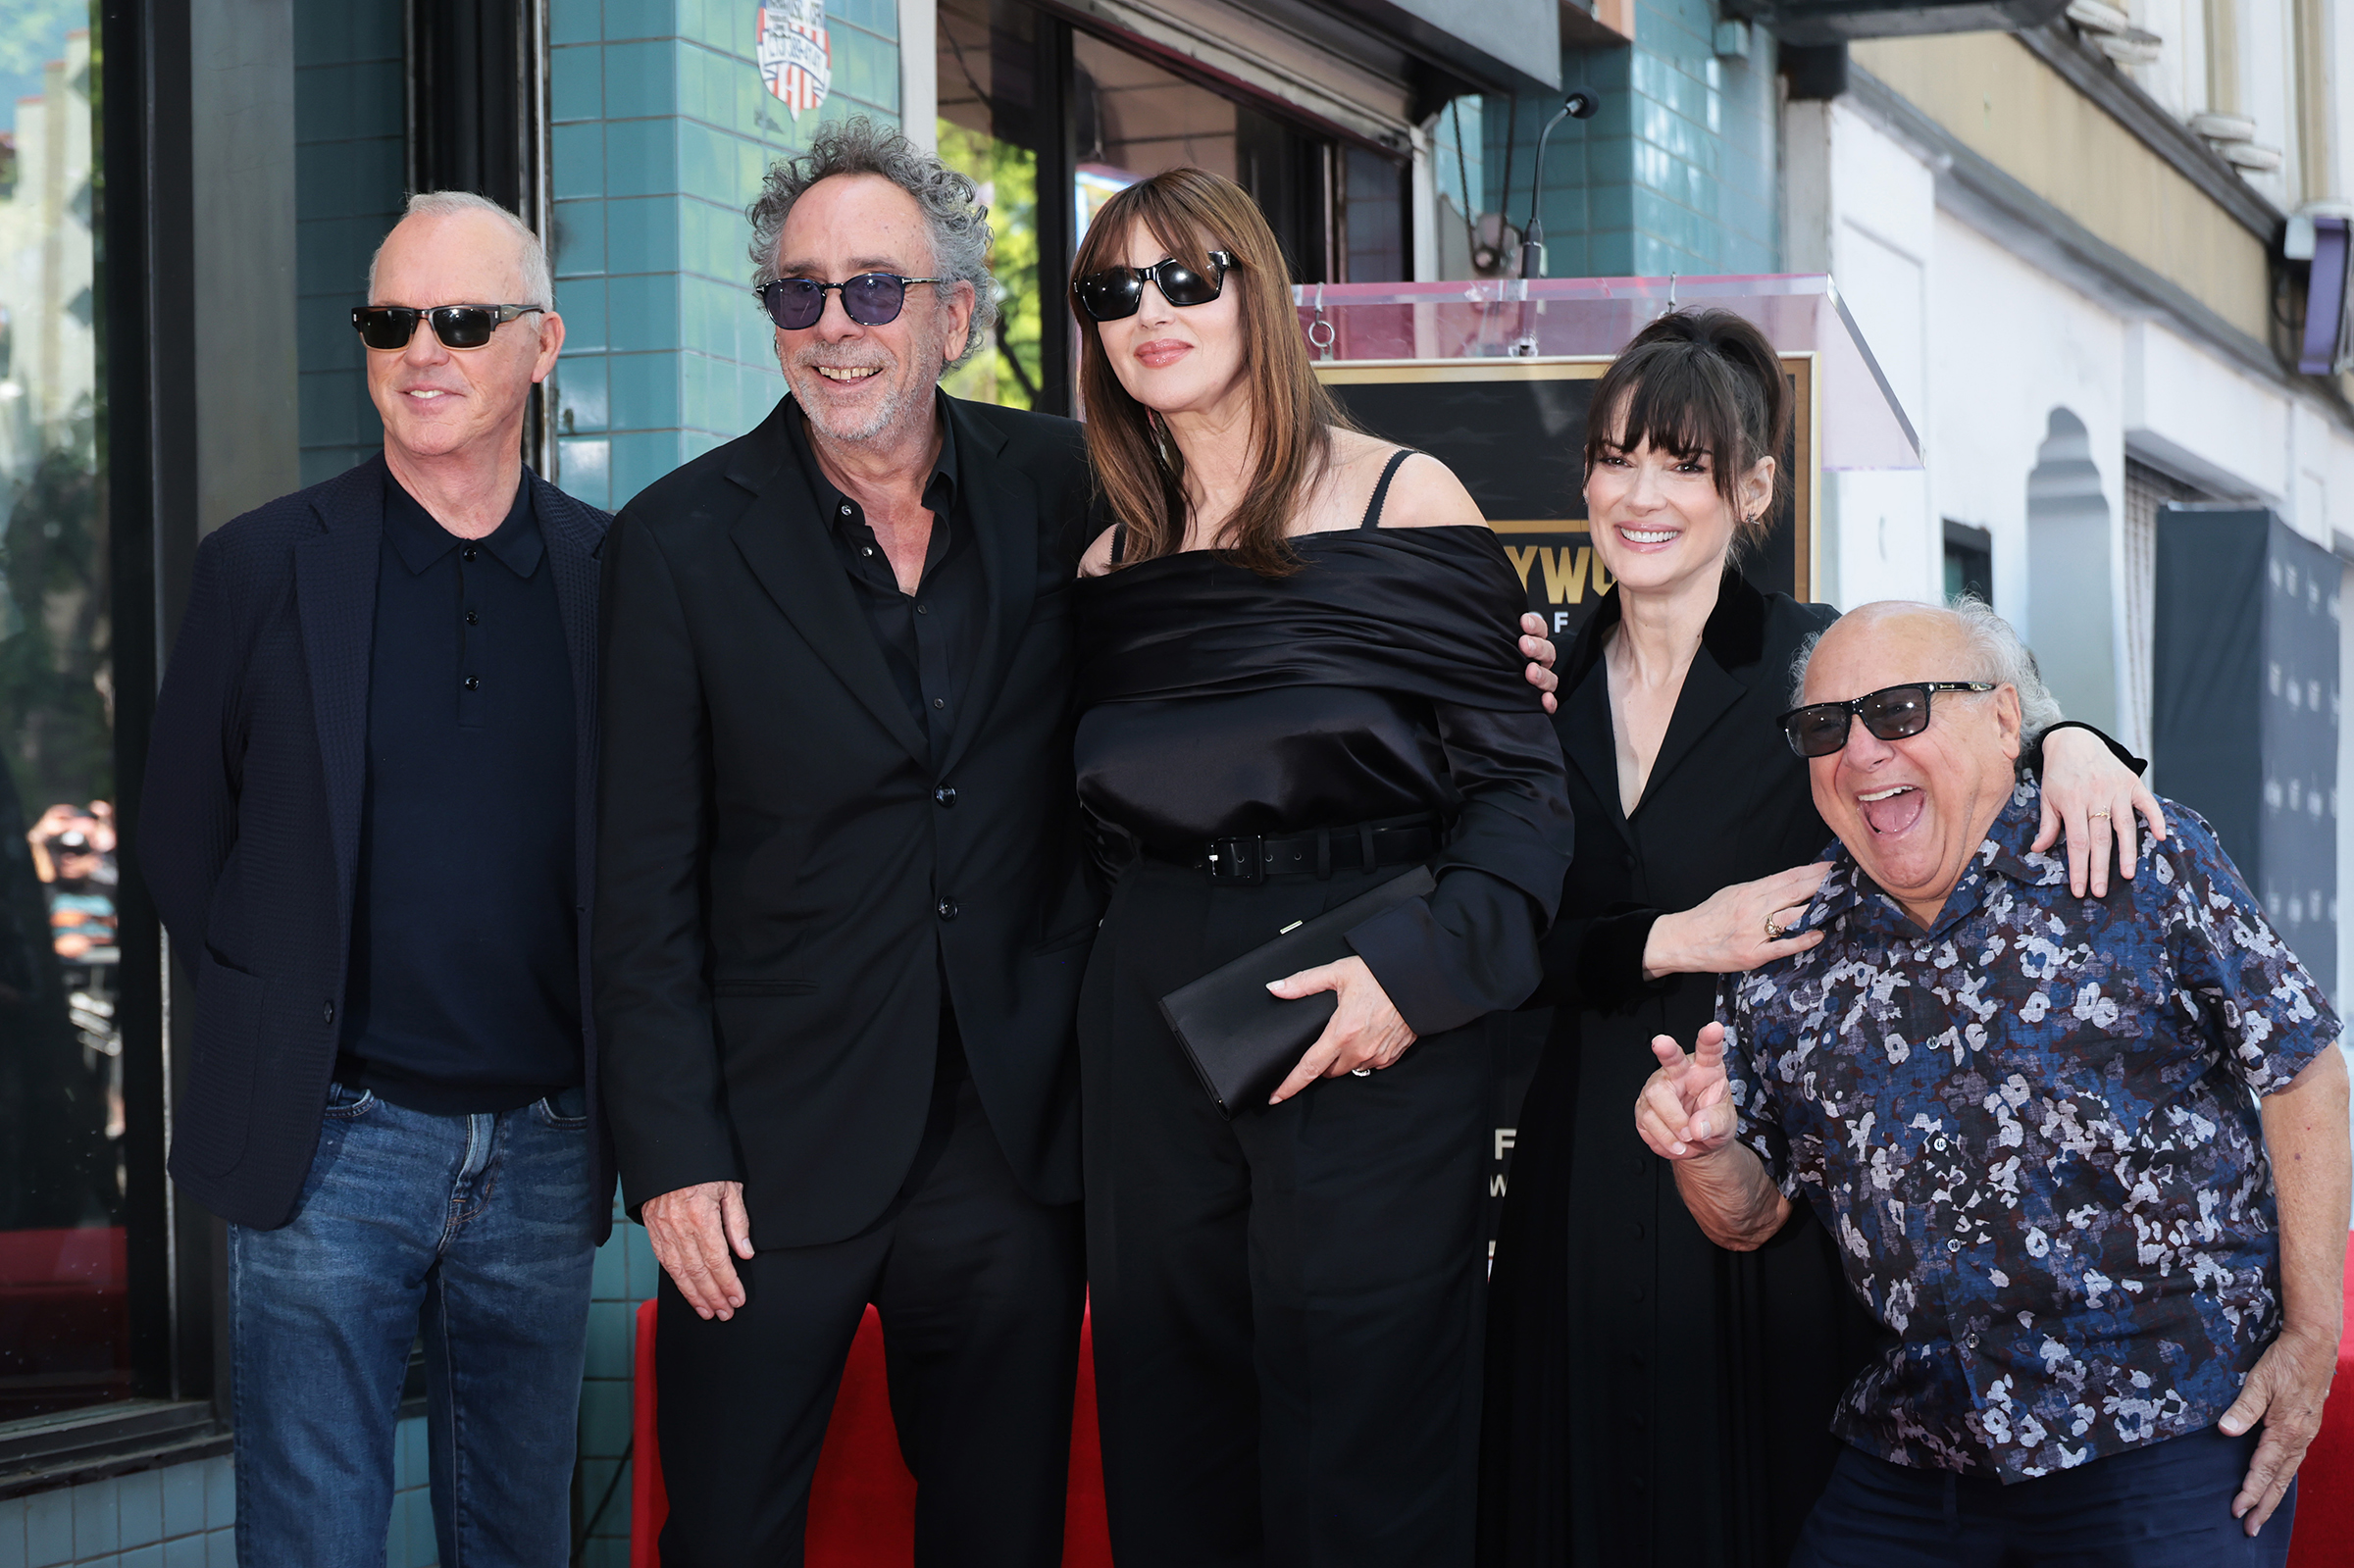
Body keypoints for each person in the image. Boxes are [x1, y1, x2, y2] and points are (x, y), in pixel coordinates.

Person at [1478, 309, 2161, 1568]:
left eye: (1682, 465)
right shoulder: (1535, 684)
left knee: (1762, 1498)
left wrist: (2071, 741)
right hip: (1576, 1153)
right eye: (1616, 457)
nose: (1641, 495)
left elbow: (1982, 740)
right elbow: (1502, 941)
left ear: (1752, 491)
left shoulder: (1816, 663)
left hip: (1771, 1167)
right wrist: (1678, 935)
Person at [1068, 166, 1577, 1568]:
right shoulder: (1107, 559)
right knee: (1173, 1425)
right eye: (1114, 292)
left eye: (1186, 278)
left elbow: (1522, 796)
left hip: (1364, 980)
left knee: (1368, 1436)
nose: (1150, 312)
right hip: (1154, 1001)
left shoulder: (1404, 495)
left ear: (1257, 291)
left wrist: (1413, 981)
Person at [1636, 597, 2348, 1566]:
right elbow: (1748, 1219)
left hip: (2165, 1430)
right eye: (1824, 728)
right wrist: (1705, 1148)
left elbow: (2301, 1066)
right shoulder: (1787, 950)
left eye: (1898, 712)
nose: (1860, 753)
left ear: (2006, 720)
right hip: (1919, 1445)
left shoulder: (2138, 857)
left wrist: (2313, 1333)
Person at [140, 191, 609, 1568]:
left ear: (543, 344)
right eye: (389, 319)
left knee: (515, 1534)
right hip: (332, 1138)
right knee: (312, 1537)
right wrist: (284, 1019)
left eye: (463, 320)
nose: (422, 349)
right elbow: (180, 835)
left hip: (543, 1139)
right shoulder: (262, 566)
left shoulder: (615, 574)